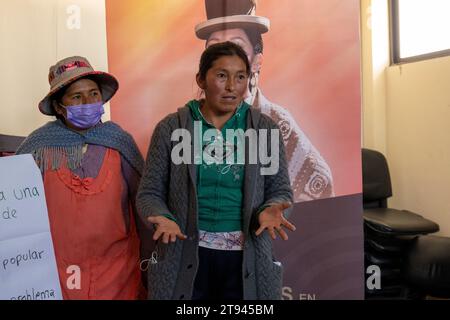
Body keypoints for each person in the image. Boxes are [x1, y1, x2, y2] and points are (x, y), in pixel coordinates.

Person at [137, 41, 295, 300]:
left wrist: (272, 207)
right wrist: (160, 215)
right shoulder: (170, 128)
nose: (232, 86)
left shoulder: (265, 130)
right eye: (222, 75)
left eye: (241, 77)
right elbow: (149, 192)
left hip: (245, 256)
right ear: (201, 79)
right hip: (185, 252)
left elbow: (280, 190)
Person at [16, 56, 145, 300]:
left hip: (117, 271)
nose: (87, 102)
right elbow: (15, 206)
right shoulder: (37, 147)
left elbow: (145, 200)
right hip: (52, 270)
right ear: (58, 107)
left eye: (94, 94)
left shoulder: (120, 141)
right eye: (77, 97)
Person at [195, 0, 334, 202]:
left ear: (257, 61)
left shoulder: (275, 122)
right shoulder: (189, 121)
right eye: (213, 48)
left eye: (236, 46)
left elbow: (320, 183)